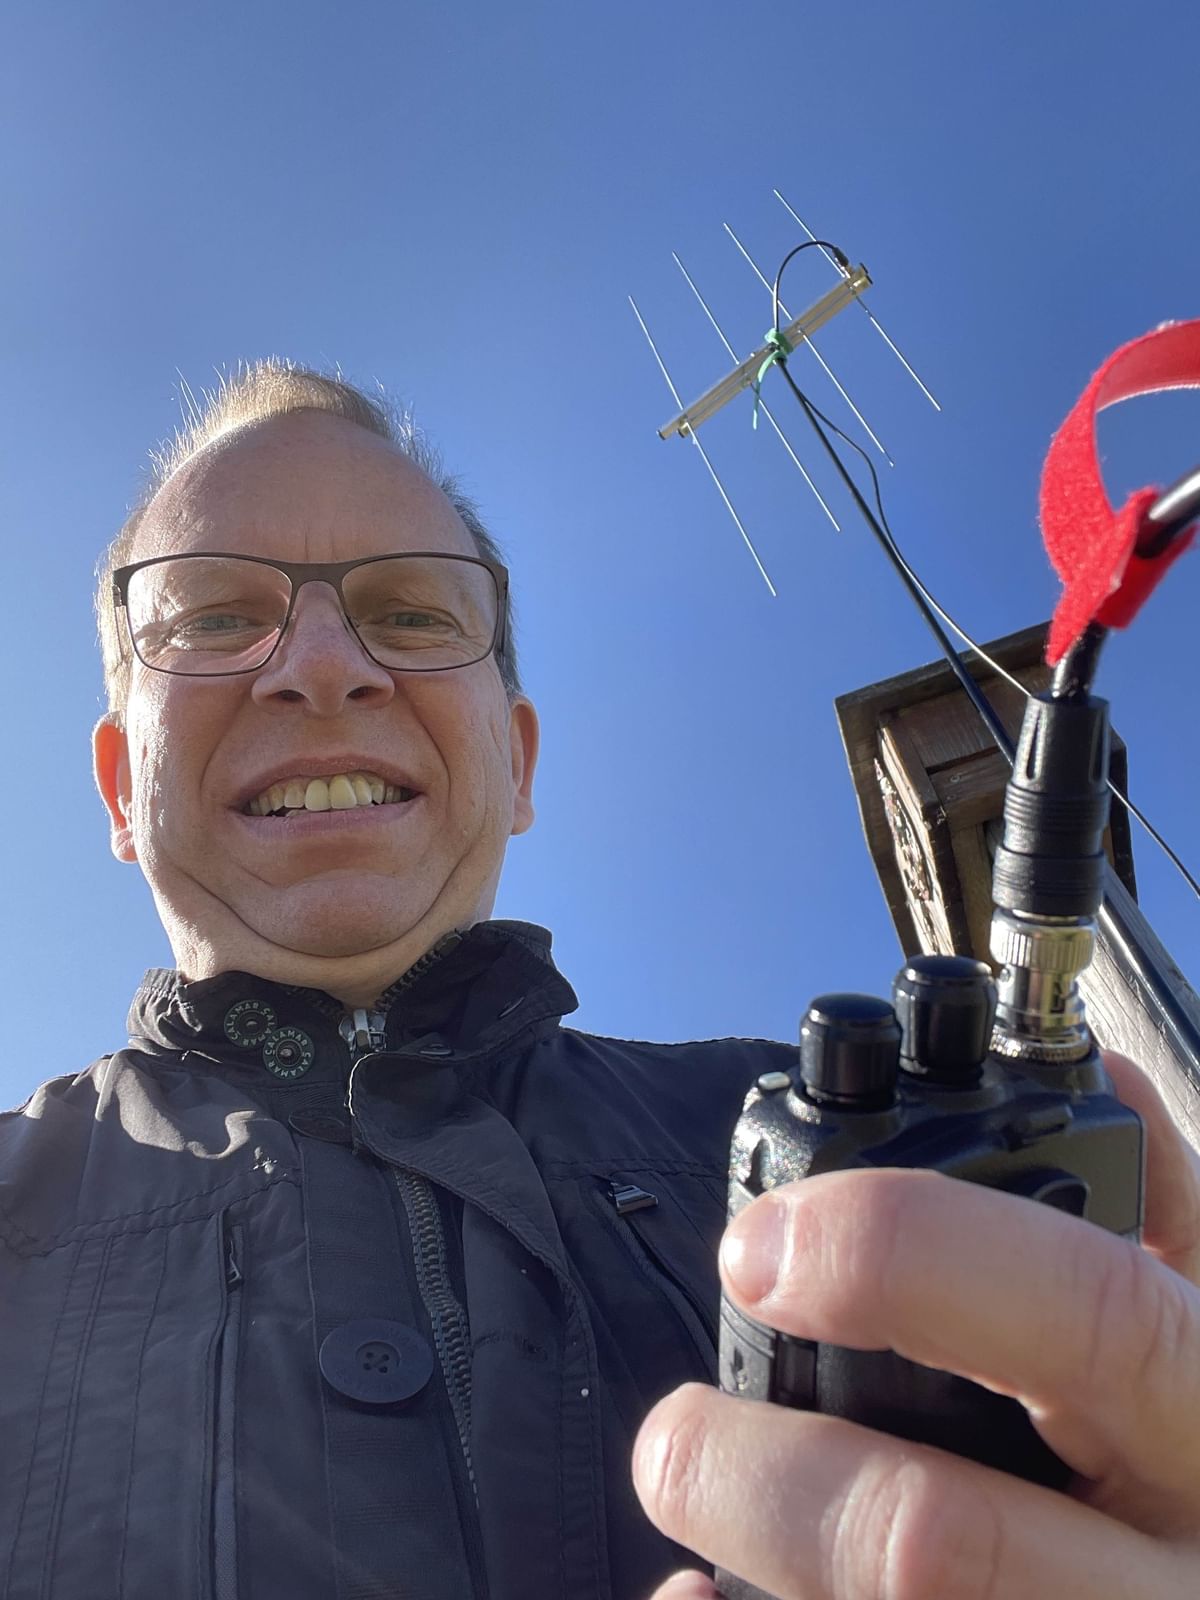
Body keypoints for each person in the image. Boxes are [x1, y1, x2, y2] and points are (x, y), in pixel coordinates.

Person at [1, 361, 1196, 1600]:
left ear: (517, 763)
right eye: (211, 617)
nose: (320, 665)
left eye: (410, 613)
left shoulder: (861, 1152)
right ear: (119, 789)